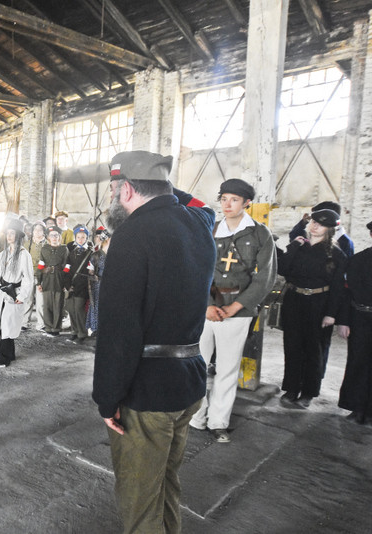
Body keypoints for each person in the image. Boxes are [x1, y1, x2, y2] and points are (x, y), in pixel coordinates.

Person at [93, 151, 216, 534]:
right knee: (166, 486)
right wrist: (161, 186)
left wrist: (107, 398)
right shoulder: (198, 224)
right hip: (188, 381)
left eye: (115, 189)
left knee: (140, 500)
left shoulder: (131, 236)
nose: (113, 198)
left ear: (126, 188)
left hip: (147, 393)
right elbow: (201, 204)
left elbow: (119, 331)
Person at [189, 179, 277, 443]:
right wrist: (207, 305)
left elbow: (265, 278)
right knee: (197, 365)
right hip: (205, 310)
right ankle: (195, 418)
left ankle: (218, 422)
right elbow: (195, 268)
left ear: (247, 203)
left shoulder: (261, 234)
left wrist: (234, 307)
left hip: (238, 312)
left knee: (227, 369)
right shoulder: (210, 229)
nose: (227, 205)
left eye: (234, 200)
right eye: (224, 199)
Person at [277, 209, 347, 408]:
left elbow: (338, 288)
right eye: (314, 222)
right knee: (292, 346)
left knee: (314, 350)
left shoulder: (336, 254)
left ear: (330, 229)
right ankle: (291, 388)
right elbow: (282, 269)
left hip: (319, 302)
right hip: (294, 299)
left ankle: (308, 392)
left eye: (321, 224)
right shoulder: (299, 246)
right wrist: (293, 247)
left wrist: (331, 314)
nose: (315, 226)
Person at [337, 220, 372, 424]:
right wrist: (344, 321)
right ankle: (357, 407)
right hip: (360, 317)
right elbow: (346, 293)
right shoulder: (358, 260)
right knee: (357, 363)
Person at [0, 218, 34, 368]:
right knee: (3, 323)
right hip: (1, 292)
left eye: (12, 233)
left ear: (18, 236)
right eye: (8, 233)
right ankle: (11, 353)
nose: (9, 236)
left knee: (8, 324)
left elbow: (28, 278)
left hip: (14, 292)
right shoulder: (2, 254)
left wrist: (21, 296)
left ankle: (3, 358)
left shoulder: (24, 255)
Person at [289, 201, 354, 258]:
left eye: (317, 219)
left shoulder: (345, 243)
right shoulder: (315, 235)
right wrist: (302, 223)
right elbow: (294, 237)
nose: (314, 223)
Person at [37, 225, 69, 337]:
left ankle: (56, 328)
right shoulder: (44, 249)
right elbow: (40, 266)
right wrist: (38, 282)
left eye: (56, 235)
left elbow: (67, 266)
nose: (54, 237)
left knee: (58, 304)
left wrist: (66, 282)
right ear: (48, 237)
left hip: (59, 279)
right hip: (47, 279)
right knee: (47, 304)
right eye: (52, 235)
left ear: (59, 237)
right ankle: (48, 327)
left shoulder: (64, 249)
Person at [64, 224, 93, 343]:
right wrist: (67, 284)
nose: (80, 239)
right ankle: (74, 332)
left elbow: (91, 271)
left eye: (83, 237)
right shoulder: (71, 253)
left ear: (86, 238)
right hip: (71, 285)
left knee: (79, 309)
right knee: (70, 309)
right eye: (78, 237)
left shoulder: (90, 253)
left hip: (83, 285)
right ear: (75, 238)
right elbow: (66, 270)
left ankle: (82, 333)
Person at [86, 226, 110, 339]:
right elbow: (90, 271)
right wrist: (93, 276)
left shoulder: (115, 254)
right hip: (98, 285)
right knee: (96, 306)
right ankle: (96, 329)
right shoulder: (95, 255)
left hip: (111, 285)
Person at [23, 221, 47, 330]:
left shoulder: (47, 244)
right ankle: (24, 322)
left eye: (40, 230)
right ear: (32, 232)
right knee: (27, 299)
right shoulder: (27, 244)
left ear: (44, 232)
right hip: (28, 275)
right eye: (35, 230)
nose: (37, 232)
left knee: (41, 301)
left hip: (42, 275)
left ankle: (41, 324)